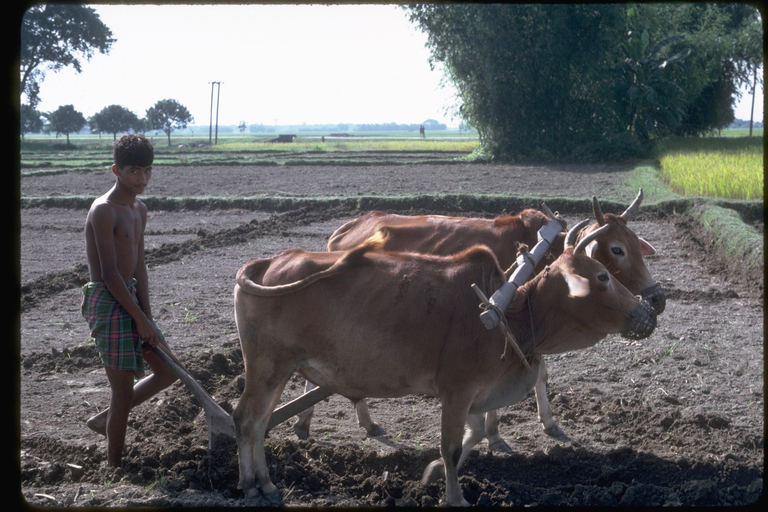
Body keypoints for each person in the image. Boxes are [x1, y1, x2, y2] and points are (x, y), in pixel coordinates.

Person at [81, 134, 178, 467]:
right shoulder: (104, 211)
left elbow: (138, 266)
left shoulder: (140, 209)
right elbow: (109, 274)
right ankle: (114, 468)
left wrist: (147, 318)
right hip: (109, 302)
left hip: (132, 296)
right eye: (135, 171)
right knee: (122, 391)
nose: (143, 179)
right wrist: (137, 318)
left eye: (148, 171)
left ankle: (103, 420)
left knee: (168, 371)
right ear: (116, 170)